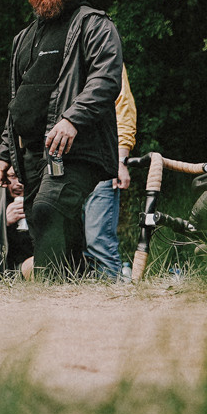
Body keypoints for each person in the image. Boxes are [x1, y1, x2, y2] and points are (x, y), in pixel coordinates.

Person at [0, 0, 123, 278]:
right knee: (50, 226)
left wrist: (72, 118)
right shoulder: (23, 39)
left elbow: (106, 79)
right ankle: (77, 290)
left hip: (78, 148)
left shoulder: (93, 24)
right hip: (32, 155)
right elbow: (18, 103)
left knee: (49, 210)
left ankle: (45, 293)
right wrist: (4, 153)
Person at [81, 67, 137, 280]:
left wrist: (119, 160)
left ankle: (111, 292)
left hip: (102, 160)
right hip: (67, 163)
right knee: (74, 242)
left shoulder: (107, 55)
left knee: (98, 240)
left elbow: (123, 109)